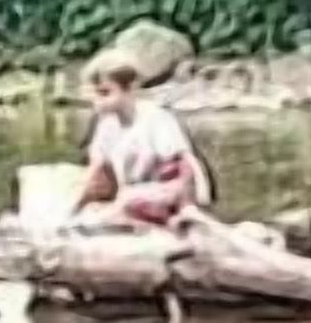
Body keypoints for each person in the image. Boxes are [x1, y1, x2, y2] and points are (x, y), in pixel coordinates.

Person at [74, 51, 214, 227]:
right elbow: (96, 169)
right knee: (102, 201)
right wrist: (75, 207)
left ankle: (165, 218)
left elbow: (183, 169)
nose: (98, 101)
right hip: (137, 193)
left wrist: (188, 204)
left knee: (126, 200)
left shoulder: (155, 118)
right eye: (95, 94)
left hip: (171, 192)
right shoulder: (106, 125)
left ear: (131, 88)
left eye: (105, 93)